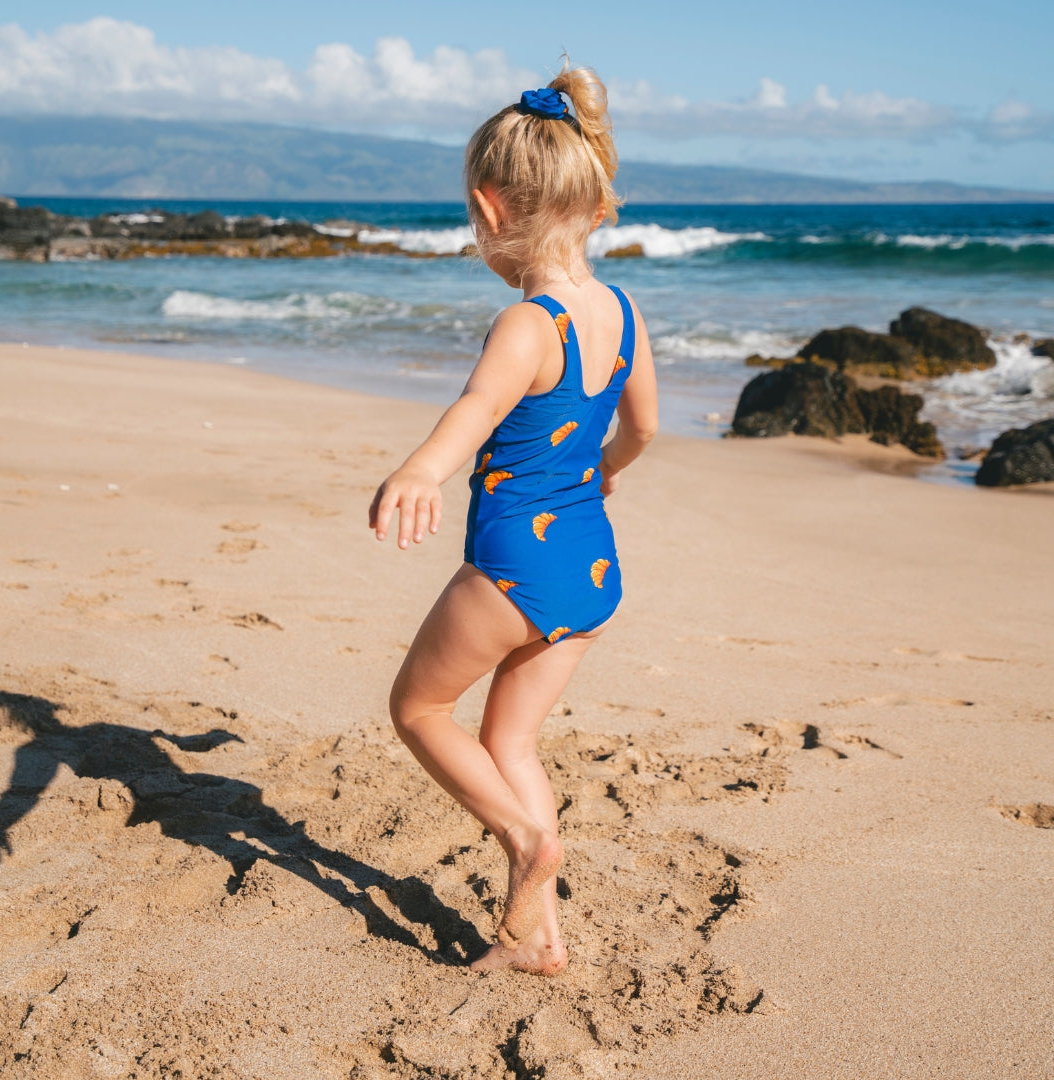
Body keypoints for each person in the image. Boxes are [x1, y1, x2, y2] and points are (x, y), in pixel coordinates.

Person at [368, 62, 658, 975]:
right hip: (591, 570)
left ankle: (527, 843)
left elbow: (477, 408)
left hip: (512, 566)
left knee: (419, 707)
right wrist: (604, 471)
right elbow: (643, 427)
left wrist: (422, 468)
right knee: (511, 742)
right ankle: (537, 940)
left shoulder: (529, 323)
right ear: (593, 205)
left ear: (489, 210)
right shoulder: (623, 312)